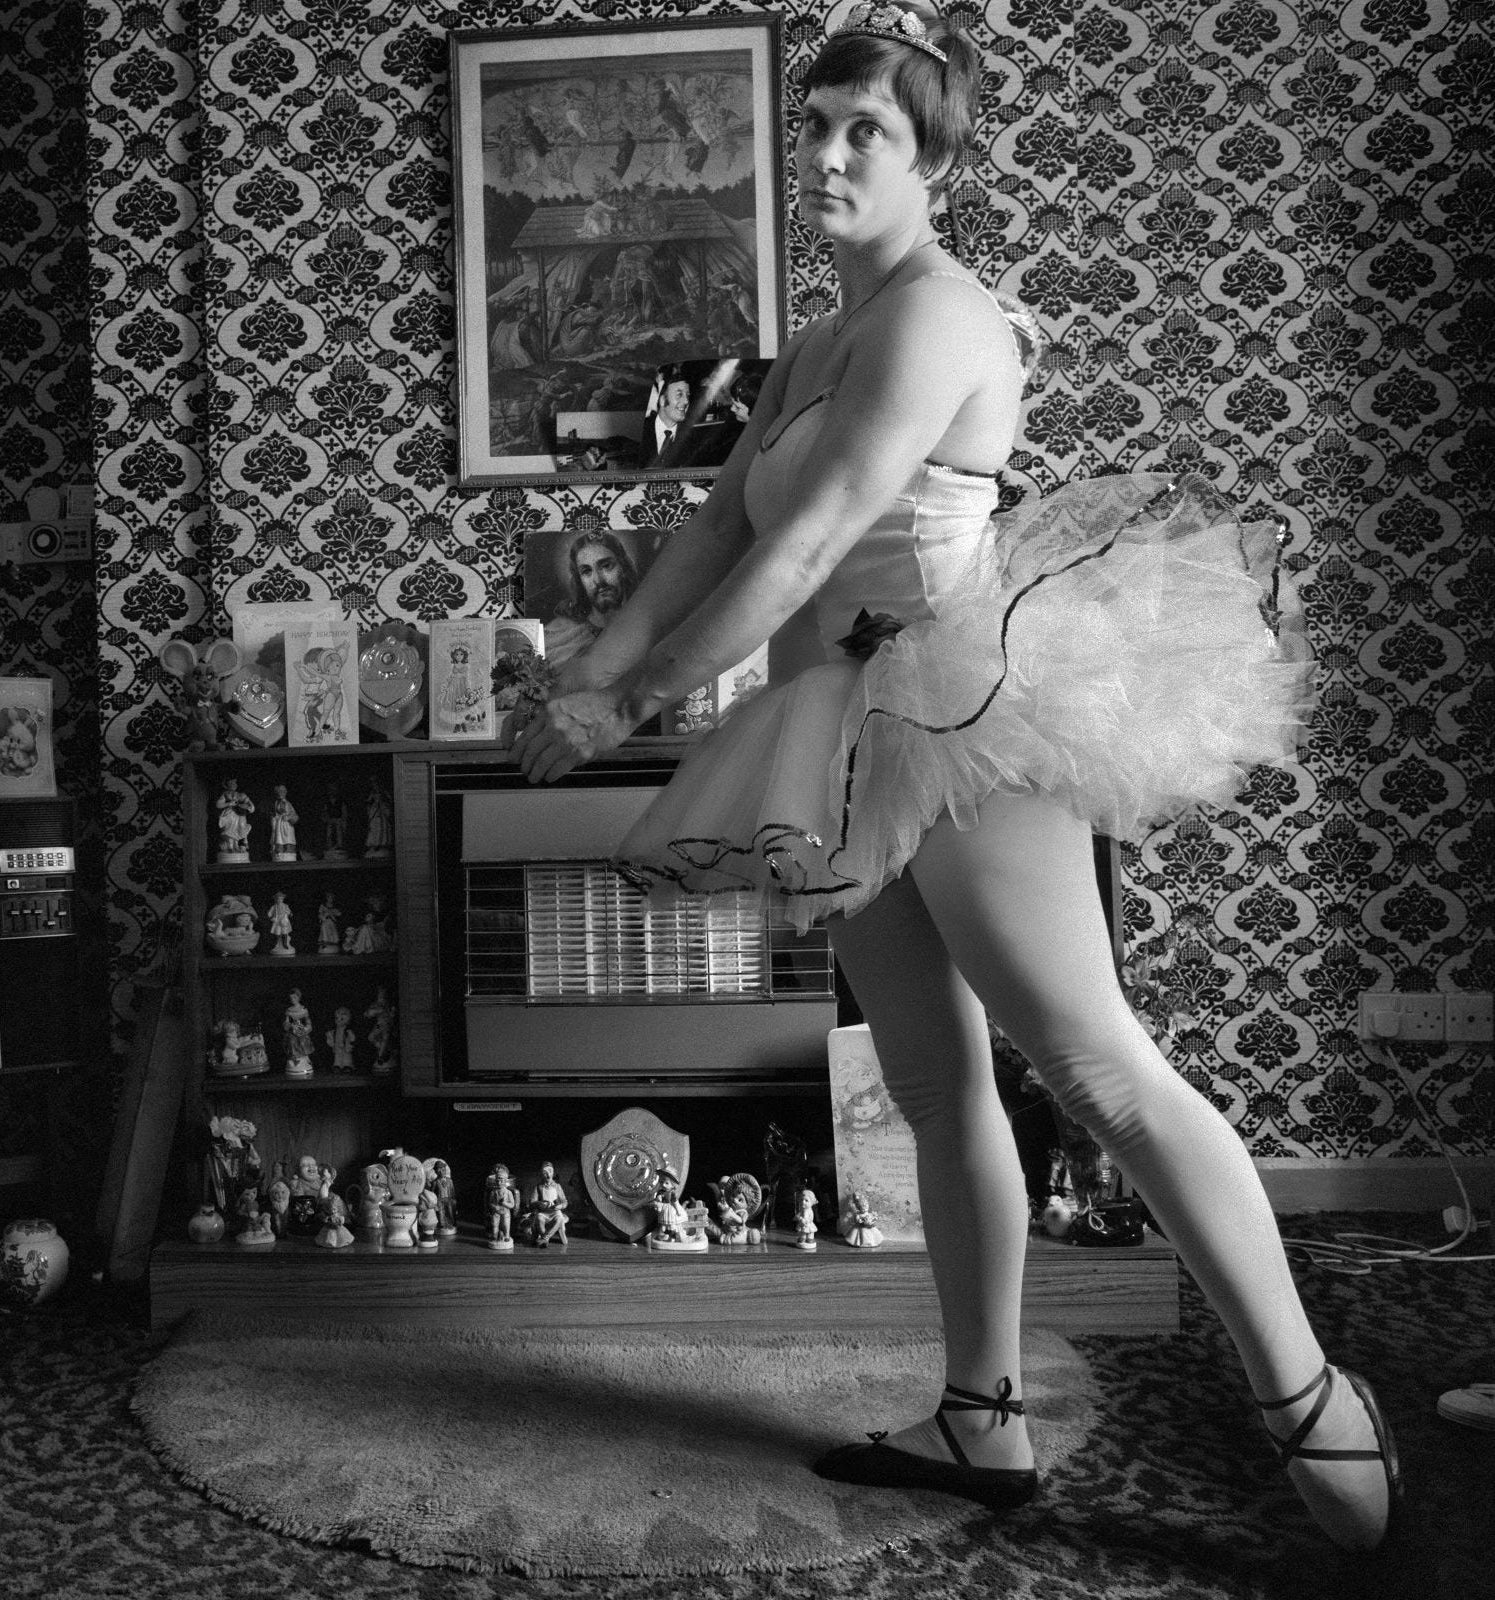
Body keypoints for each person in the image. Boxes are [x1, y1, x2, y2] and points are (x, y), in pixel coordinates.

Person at [506, 0, 1392, 1552]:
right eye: (819, 126)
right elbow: (714, 530)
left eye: (872, 133)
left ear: (935, 166)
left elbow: (811, 539)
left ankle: (1313, 1399)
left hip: (962, 711)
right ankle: (982, 1415)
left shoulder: (940, 316)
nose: (832, 154)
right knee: (929, 1081)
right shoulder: (816, 345)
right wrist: (592, 671)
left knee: (1097, 1068)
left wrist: (630, 701)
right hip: (841, 730)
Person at [542, 529, 639, 671]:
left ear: (623, 568)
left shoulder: (644, 622)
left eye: (606, 566)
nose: (598, 580)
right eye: (586, 571)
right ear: (579, 580)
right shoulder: (560, 635)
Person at [634, 366, 693, 468]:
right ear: (662, 400)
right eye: (679, 394)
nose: (686, 401)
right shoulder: (639, 430)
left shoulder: (692, 437)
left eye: (687, 395)